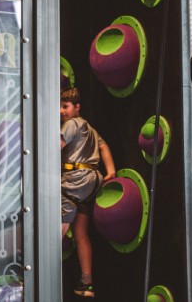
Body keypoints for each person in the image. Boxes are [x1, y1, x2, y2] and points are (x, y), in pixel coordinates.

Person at [60, 86, 115, 298]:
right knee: (81, 232)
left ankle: (42, 273)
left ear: (77, 107)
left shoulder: (72, 124)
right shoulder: (90, 129)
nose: (62, 112)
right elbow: (104, 148)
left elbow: (56, 146)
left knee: (58, 230)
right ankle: (87, 283)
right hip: (92, 183)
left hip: (75, 181)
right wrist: (110, 171)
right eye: (60, 107)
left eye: (65, 106)